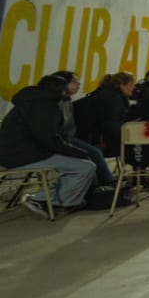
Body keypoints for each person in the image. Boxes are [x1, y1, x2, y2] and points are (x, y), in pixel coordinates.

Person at [0, 73, 98, 218]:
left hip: (16, 153)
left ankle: (52, 199)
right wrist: (78, 152)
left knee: (80, 163)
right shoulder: (46, 105)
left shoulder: (31, 101)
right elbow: (49, 140)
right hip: (24, 156)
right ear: (60, 89)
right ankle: (42, 200)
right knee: (86, 166)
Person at [74, 71, 135, 155]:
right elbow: (111, 125)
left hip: (87, 137)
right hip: (96, 141)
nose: (134, 87)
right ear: (122, 85)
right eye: (131, 84)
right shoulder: (113, 99)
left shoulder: (104, 93)